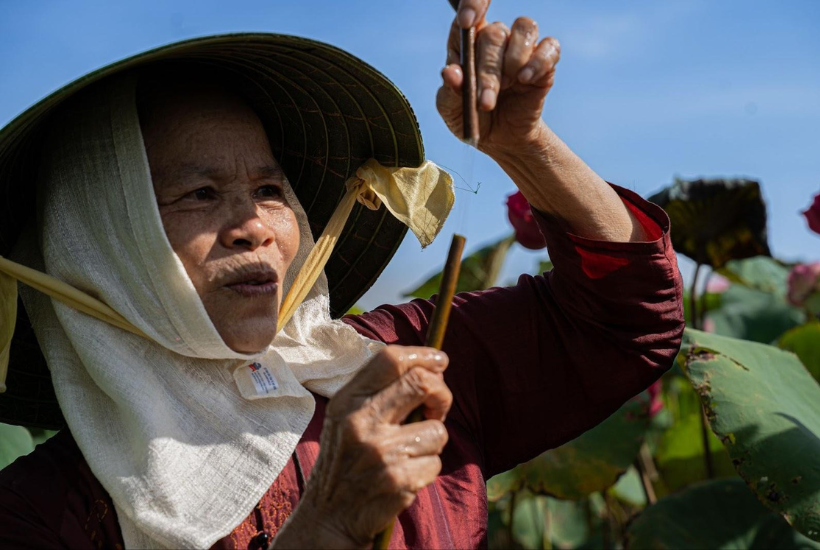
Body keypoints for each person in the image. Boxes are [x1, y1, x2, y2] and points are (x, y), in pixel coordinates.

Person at [0, 1, 684, 548]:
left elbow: (625, 322)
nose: (256, 226)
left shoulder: (391, 366)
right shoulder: (40, 512)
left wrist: (525, 147)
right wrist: (324, 526)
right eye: (200, 195)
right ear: (102, 244)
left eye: (271, 189)